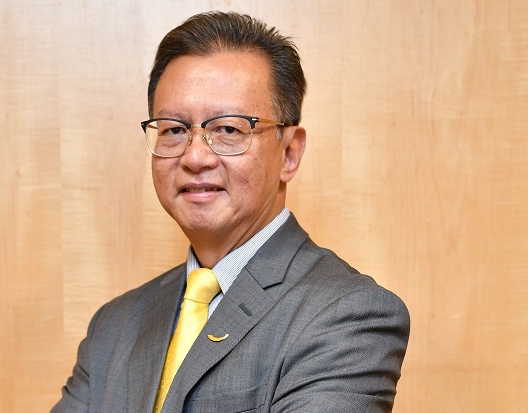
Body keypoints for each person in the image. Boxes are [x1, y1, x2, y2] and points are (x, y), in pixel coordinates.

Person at [51, 11, 409, 413]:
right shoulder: (114, 325)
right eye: (174, 129)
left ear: (289, 153)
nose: (195, 157)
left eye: (228, 129)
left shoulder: (348, 313)